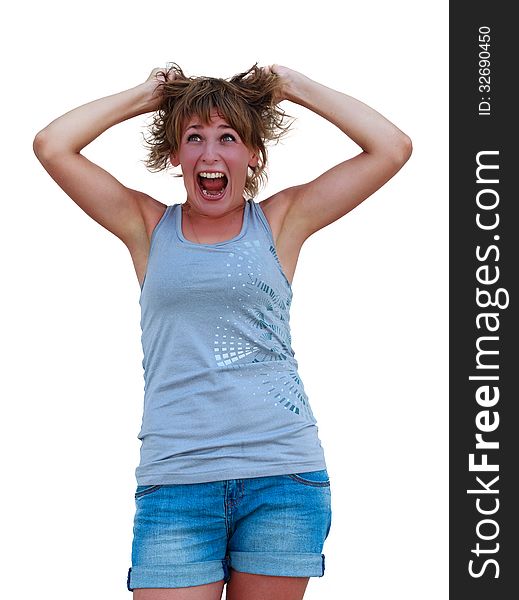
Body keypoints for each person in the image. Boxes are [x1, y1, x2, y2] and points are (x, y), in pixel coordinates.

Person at [33, 62, 412, 600]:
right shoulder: (146, 226)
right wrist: (149, 95)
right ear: (176, 156)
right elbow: (52, 146)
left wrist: (291, 87)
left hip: (281, 478)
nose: (211, 155)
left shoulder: (282, 222)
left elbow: (392, 148)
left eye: (228, 138)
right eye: (195, 139)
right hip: (176, 485)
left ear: (253, 155)